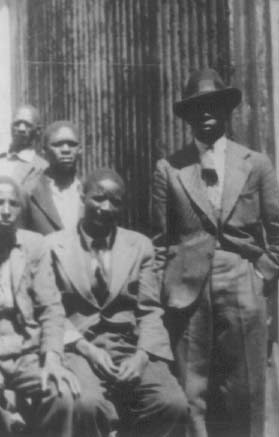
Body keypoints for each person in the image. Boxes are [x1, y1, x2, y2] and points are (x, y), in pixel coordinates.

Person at [152, 68, 279, 437]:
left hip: (242, 278)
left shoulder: (255, 163)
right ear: (188, 116)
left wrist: (263, 274)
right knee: (193, 389)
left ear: (226, 110)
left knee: (245, 387)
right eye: (197, 107)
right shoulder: (170, 168)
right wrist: (165, 292)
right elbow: (161, 239)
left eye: (213, 105)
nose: (205, 112)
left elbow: (276, 228)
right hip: (187, 286)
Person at [0, 175, 92, 437]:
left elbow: (51, 308)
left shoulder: (35, 244)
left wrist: (53, 359)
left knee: (64, 392)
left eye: (13, 204)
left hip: (27, 350)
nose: (6, 211)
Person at [47, 169, 188, 436]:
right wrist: (85, 348)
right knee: (85, 404)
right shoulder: (54, 246)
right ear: (82, 195)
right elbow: (51, 310)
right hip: (77, 348)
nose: (105, 208)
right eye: (98, 198)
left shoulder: (139, 245)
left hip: (128, 346)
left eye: (115, 202)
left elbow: (149, 309)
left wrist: (143, 356)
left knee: (171, 404)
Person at [21, 120, 83, 235]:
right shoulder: (29, 192)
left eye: (72, 144)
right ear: (44, 150)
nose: (66, 150)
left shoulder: (89, 191)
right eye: (58, 144)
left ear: (80, 149)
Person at [0, 104, 48, 186]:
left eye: (28, 125)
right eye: (17, 124)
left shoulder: (42, 167)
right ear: (11, 127)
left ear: (37, 131)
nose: (21, 129)